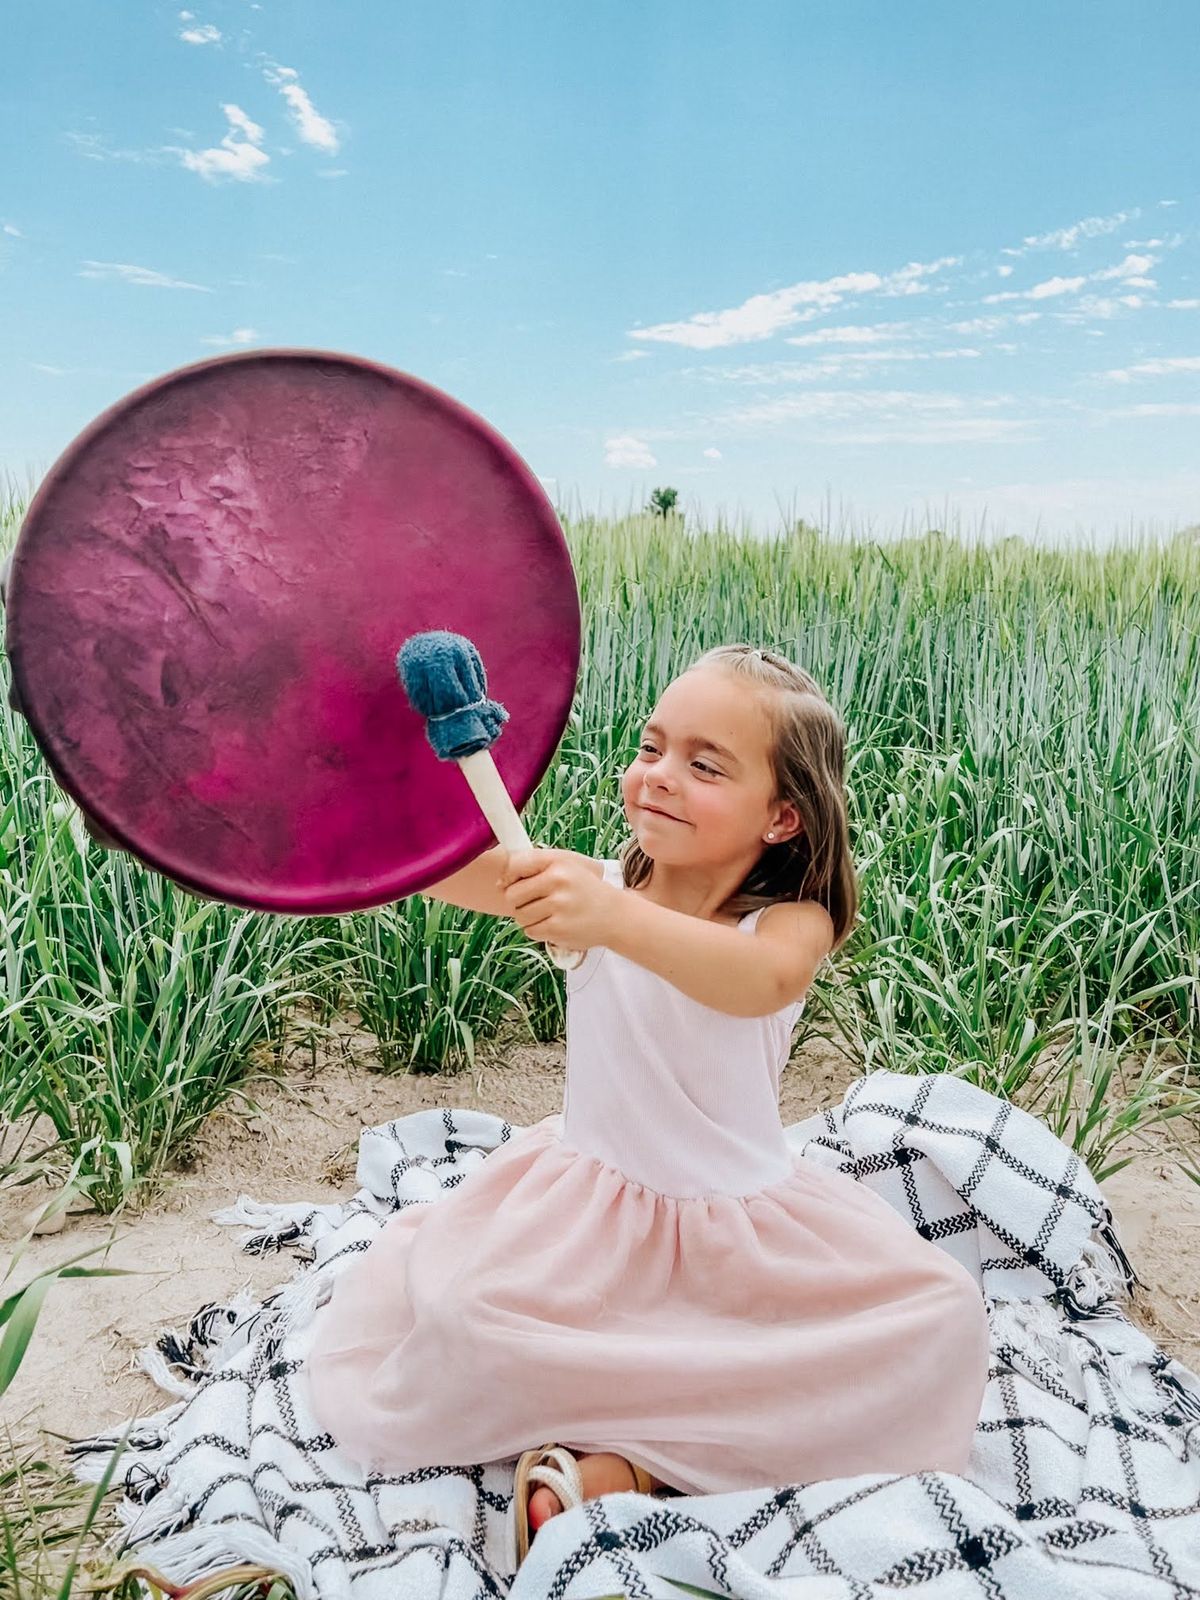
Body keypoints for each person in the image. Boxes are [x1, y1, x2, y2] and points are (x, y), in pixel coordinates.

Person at [303, 643, 991, 1563]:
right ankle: (642, 1456)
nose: (658, 777)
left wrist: (610, 917)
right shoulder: (589, 889)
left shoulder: (783, 924)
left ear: (784, 816)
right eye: (652, 747)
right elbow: (421, 869)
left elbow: (756, 980)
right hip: (586, 1218)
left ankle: (630, 1466)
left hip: (745, 1238)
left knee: (943, 1322)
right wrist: (289, 820)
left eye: (705, 765)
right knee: (466, 1321)